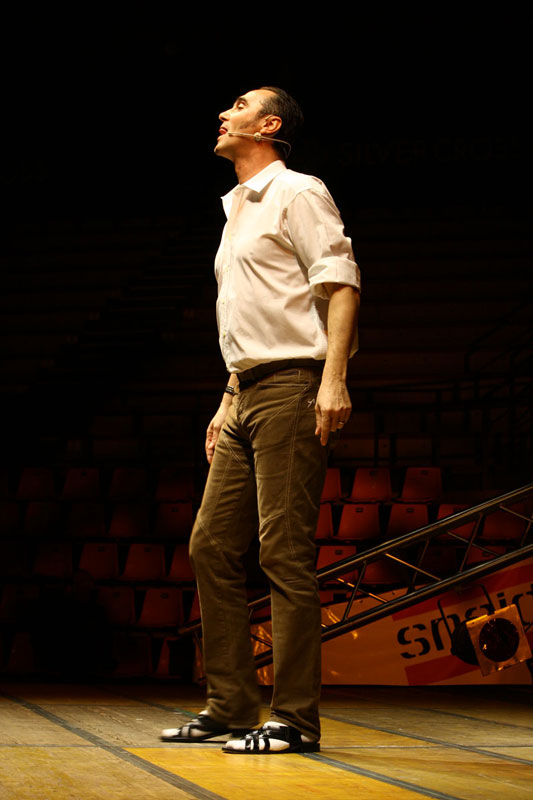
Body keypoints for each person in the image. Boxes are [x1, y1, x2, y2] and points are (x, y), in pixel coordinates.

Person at [161, 87, 361, 754]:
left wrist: (333, 379)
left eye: (239, 105)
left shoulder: (297, 191)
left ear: (269, 125)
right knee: (211, 546)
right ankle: (231, 705)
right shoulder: (237, 209)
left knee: (283, 551)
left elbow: (341, 285)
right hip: (245, 391)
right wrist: (227, 397)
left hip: (293, 384)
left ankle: (295, 719)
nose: (223, 113)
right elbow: (247, 317)